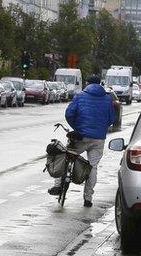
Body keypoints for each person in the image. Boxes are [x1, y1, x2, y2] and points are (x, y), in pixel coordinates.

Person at [49, 74, 117, 207]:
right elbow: (111, 118)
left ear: (87, 83)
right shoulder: (107, 99)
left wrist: (76, 127)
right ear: (100, 84)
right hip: (98, 139)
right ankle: (88, 198)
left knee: (66, 155)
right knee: (92, 167)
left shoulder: (80, 96)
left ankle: (57, 185)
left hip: (81, 136)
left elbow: (69, 114)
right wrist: (101, 127)